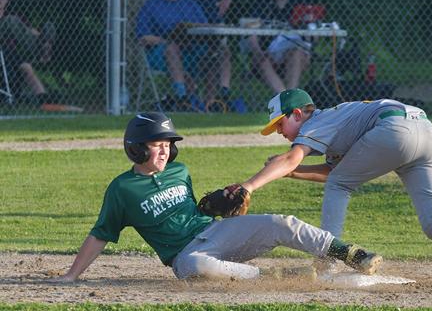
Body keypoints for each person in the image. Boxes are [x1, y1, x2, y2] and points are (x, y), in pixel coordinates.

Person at [49, 112, 382, 283]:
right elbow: (100, 234)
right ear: (136, 148)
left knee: (280, 223)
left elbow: (193, 211)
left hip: (214, 232)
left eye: (168, 143)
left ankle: (349, 253)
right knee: (196, 266)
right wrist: (71, 275)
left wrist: (219, 203)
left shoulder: (181, 172)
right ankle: (272, 278)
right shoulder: (122, 190)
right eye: (157, 143)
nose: (165, 149)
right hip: (184, 255)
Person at [227, 89, 432, 265]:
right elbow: (333, 172)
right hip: (426, 131)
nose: (279, 132)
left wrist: (248, 186)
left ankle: (329, 259)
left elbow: (304, 163)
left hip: (393, 130)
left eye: (280, 124)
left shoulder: (317, 121)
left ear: (297, 113)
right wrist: (292, 173)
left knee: (339, 185)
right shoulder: (333, 126)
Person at [136, 0, 233, 110]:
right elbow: (143, 37)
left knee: (220, 51)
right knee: (172, 47)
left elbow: (204, 29)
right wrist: (166, 40)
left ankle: (216, 100)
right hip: (161, 55)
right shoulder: (150, 5)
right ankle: (182, 98)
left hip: (192, 52)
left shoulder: (190, 4)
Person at [0, 0, 78, 112]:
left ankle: (43, 98)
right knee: (10, 21)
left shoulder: (16, 18)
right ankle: (40, 52)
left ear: (6, 0)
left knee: (25, 66)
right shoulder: (10, 20)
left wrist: (42, 38)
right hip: (4, 50)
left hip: (11, 54)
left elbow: (29, 31)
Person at [239, 0, 315, 92]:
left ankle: (289, 94)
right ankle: (285, 98)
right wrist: (258, 51)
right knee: (261, 59)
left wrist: (308, 21)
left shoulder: (299, 2)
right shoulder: (261, 2)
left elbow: (311, 37)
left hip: (292, 54)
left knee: (296, 53)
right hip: (268, 53)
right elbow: (251, 32)